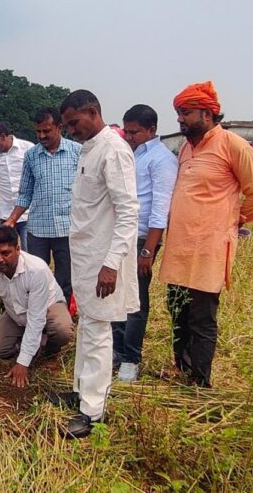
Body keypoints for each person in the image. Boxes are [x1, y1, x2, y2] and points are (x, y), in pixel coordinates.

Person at [159, 81, 253, 388]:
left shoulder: (233, 145)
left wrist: (236, 219)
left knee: (202, 317)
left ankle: (199, 380)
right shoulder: (185, 148)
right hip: (180, 246)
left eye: (186, 112)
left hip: (209, 248)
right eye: (179, 113)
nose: (180, 119)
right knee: (178, 310)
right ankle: (181, 367)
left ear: (207, 113)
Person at [50, 90, 139, 439]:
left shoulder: (114, 151)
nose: (71, 131)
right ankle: (79, 391)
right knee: (88, 326)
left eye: (74, 123)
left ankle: (92, 412)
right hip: (86, 259)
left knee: (99, 333)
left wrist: (112, 264)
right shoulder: (92, 149)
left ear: (93, 111)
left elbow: (128, 212)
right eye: (68, 125)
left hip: (103, 261)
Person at [111, 104, 178, 382]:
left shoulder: (162, 160)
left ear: (152, 130)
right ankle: (115, 349)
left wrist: (148, 250)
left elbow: (160, 209)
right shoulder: (132, 154)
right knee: (116, 295)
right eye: (127, 130)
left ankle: (130, 358)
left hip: (141, 240)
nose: (129, 135)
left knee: (136, 301)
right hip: (122, 235)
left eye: (134, 131)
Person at [0, 226, 74, 388]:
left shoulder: (36, 270)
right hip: (16, 313)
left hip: (47, 308)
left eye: (6, 253)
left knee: (62, 330)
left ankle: (48, 349)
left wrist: (23, 363)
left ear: (18, 249)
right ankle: (35, 341)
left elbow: (36, 318)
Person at [4, 107, 81, 304]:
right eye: (38, 131)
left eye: (47, 131)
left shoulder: (77, 152)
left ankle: (62, 316)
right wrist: (11, 220)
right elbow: (25, 194)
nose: (41, 135)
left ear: (59, 127)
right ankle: (39, 315)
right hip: (38, 229)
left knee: (66, 276)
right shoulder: (31, 156)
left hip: (67, 228)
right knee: (37, 274)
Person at [0, 122, 34, 248]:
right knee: (6, 253)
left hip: (27, 214)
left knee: (28, 253)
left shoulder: (28, 149)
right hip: (4, 215)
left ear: (2, 136)